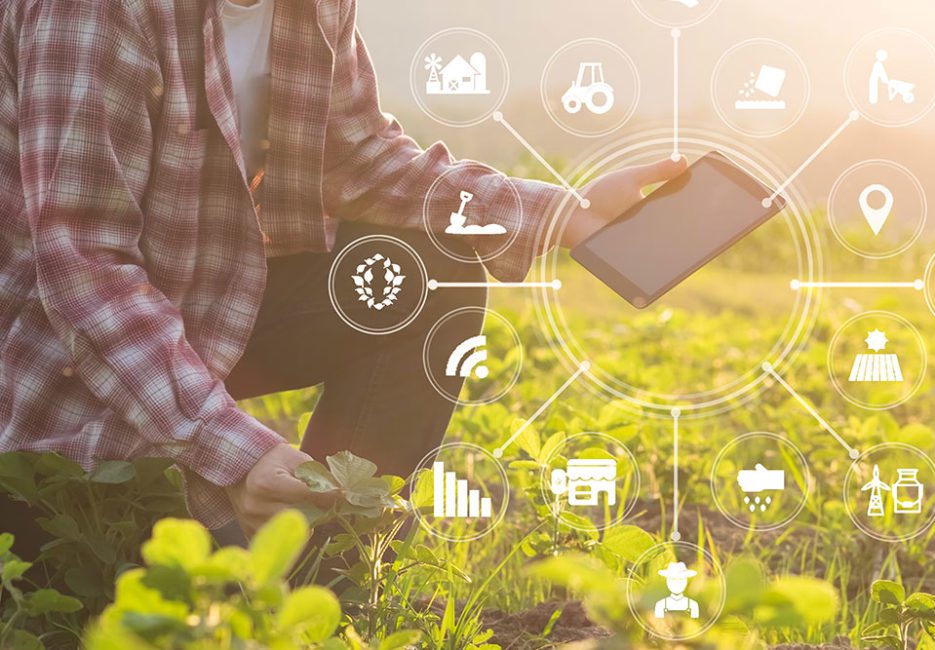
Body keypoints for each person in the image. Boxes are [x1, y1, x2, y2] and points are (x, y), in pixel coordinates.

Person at [0, 0, 686, 552]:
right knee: (100, 578)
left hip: (206, 311)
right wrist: (231, 453)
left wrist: (567, 216)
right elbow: (83, 267)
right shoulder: (90, 11)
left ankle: (328, 572)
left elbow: (355, 155)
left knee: (431, 271)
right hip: (54, 369)